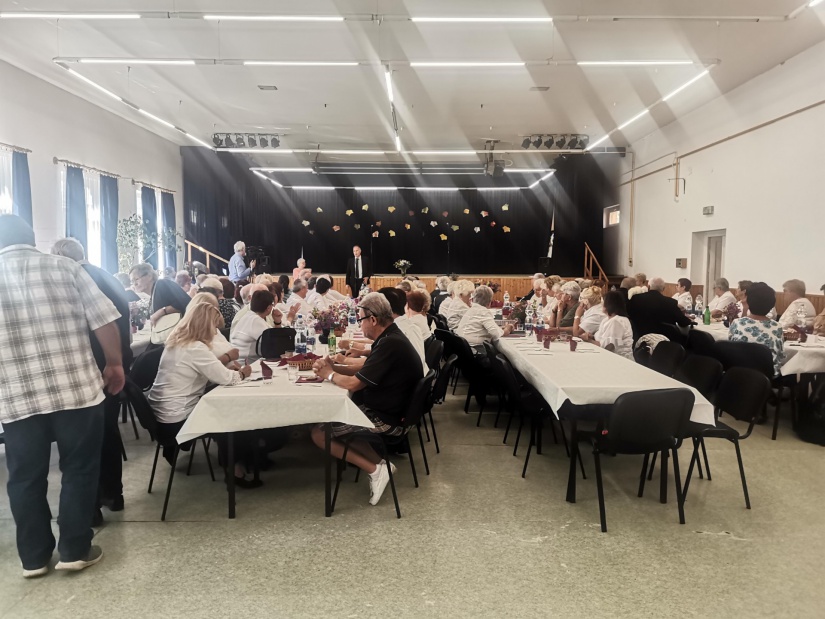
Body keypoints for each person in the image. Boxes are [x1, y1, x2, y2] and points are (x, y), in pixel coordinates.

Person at [0, 215, 125, 576]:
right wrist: (114, 363)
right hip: (76, 390)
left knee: (24, 478)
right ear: (32, 238)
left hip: (16, 396)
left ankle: (34, 558)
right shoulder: (65, 267)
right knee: (79, 468)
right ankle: (75, 549)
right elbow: (103, 319)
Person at [310, 293, 423, 506]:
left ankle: (374, 470)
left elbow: (354, 384)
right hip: (394, 411)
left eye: (360, 319)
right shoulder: (391, 337)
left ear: (372, 319)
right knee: (343, 421)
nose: (359, 324)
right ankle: (381, 465)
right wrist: (334, 367)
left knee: (319, 433)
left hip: (388, 419)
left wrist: (329, 375)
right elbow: (363, 370)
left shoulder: (389, 343)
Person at [51, 238, 133, 522]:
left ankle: (92, 505)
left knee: (83, 440)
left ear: (61, 257)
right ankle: (114, 494)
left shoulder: (74, 279)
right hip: (116, 363)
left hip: (89, 367)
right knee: (108, 430)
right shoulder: (108, 277)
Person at [148, 302, 261, 484]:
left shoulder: (176, 342)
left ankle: (235, 461)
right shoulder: (195, 348)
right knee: (232, 417)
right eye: (214, 327)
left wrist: (226, 369)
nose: (216, 332)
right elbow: (228, 379)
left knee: (222, 404)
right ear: (206, 325)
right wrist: (243, 372)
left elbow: (205, 372)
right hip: (177, 418)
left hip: (162, 416)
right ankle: (235, 469)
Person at [730, 282, 785, 376]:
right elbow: (779, 355)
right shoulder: (777, 327)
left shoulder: (737, 323)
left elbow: (732, 348)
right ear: (771, 305)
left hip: (738, 374)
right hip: (766, 377)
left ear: (748, 301)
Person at [626, 277, 694, 341]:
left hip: (639, 337)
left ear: (648, 287)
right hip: (664, 341)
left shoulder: (635, 298)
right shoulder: (671, 303)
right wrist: (690, 320)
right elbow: (683, 322)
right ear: (663, 289)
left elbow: (628, 315)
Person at [457, 285, 514, 353]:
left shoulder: (472, 310)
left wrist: (500, 328)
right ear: (489, 302)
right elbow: (497, 334)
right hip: (475, 351)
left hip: (464, 350)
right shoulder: (483, 312)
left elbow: (484, 328)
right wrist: (508, 328)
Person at [230, 290, 283, 362]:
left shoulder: (248, 316)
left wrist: (277, 322)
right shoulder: (256, 320)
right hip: (246, 364)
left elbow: (276, 338)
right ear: (268, 308)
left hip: (239, 361)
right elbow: (277, 344)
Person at [581, 291, 634, 359]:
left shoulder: (616, 321)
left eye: (603, 302)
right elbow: (603, 339)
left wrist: (589, 340)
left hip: (619, 359)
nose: (601, 305)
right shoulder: (607, 320)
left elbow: (608, 348)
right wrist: (592, 337)